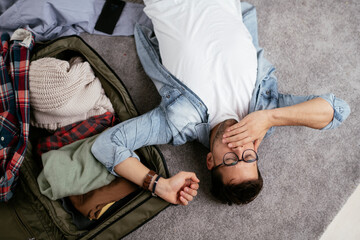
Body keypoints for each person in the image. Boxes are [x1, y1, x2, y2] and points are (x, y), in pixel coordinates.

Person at [91, 0, 350, 206]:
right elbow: (337, 110)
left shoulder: (178, 123)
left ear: (210, 162)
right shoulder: (266, 109)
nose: (238, 149)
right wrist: (271, 118)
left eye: (229, 160)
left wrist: (158, 184)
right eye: (248, 157)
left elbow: (106, 145)